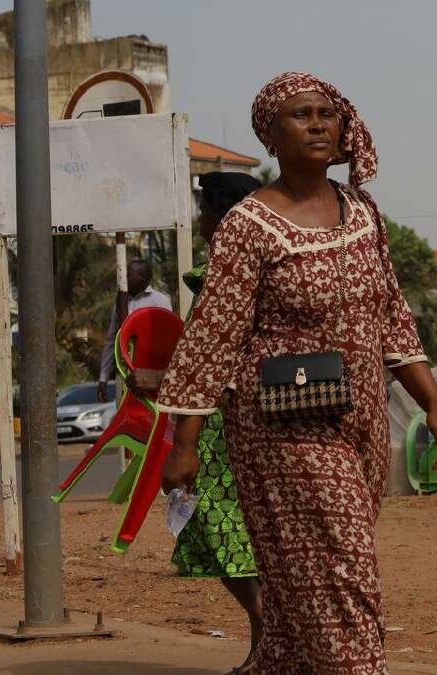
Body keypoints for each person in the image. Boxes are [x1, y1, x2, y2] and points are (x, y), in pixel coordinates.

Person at [157, 72, 437, 674]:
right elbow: (213, 334)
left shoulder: (363, 212)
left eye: (327, 112)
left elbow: (393, 316)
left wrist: (433, 403)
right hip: (283, 428)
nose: (319, 123)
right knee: (343, 566)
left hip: (363, 422)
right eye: (301, 115)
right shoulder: (248, 225)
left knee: (311, 579)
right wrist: (183, 444)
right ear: (271, 136)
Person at [171, 171, 264, 672]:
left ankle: (268, 631)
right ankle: (263, 644)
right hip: (232, 426)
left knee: (225, 533)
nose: (200, 217)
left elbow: (212, 360)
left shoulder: (227, 279)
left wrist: (183, 444)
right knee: (241, 543)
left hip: (225, 433)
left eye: (206, 207)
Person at [97, 259, 173, 402]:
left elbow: (165, 339)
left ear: (143, 277)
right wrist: (103, 378)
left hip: (149, 375)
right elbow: (112, 340)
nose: (123, 278)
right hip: (124, 374)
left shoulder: (159, 301)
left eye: (129, 275)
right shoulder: (120, 302)